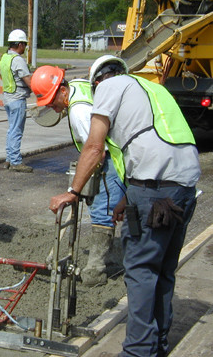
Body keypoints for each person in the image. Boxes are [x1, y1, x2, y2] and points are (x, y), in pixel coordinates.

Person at [49, 55, 200, 357]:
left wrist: (73, 191)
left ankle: (137, 351)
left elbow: (95, 147)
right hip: (184, 187)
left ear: (97, 82)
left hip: (156, 192)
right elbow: (151, 146)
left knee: (141, 269)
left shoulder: (107, 88)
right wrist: (126, 198)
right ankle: (157, 345)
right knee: (164, 269)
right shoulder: (151, 88)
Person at [31, 65, 126, 286]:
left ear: (62, 91)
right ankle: (111, 256)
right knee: (108, 206)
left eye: (52, 102)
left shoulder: (78, 112)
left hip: (111, 157)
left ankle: (96, 269)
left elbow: (96, 152)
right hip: (112, 150)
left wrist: (77, 186)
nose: (53, 109)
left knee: (103, 207)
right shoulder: (78, 85)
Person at [0, 29, 32, 173]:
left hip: (8, 98)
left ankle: (9, 158)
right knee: (16, 131)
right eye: (24, 44)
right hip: (17, 99)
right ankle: (15, 161)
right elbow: (28, 80)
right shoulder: (18, 60)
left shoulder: (5, 57)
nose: (25, 47)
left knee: (11, 129)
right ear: (19, 44)